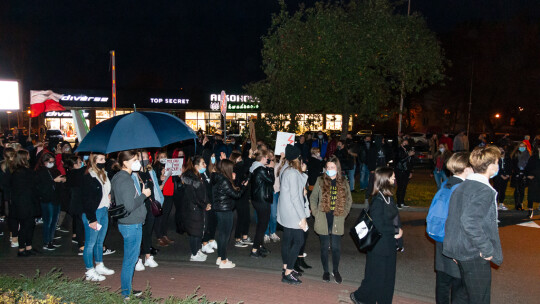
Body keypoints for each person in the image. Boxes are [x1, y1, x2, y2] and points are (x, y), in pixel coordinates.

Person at [443, 145, 503, 304]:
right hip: (474, 252)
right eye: (497, 162)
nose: (498, 166)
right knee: (479, 298)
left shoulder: (463, 186)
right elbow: (469, 221)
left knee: (464, 293)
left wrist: (456, 250)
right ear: (491, 166)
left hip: (461, 248)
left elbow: (454, 218)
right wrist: (487, 248)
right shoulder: (483, 190)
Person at [350, 167, 403, 304]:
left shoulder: (389, 198)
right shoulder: (378, 201)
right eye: (392, 177)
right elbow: (379, 225)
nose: (394, 179)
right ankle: (361, 297)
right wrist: (395, 232)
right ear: (385, 180)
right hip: (379, 247)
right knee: (376, 278)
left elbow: (395, 219)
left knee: (388, 279)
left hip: (389, 245)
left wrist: (399, 234)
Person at [430, 152, 472, 304]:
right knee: (459, 286)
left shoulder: (446, 184)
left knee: (442, 282)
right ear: (466, 169)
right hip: (455, 243)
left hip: (441, 238)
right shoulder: (463, 189)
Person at [111, 150, 151, 299]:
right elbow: (129, 206)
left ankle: (127, 289)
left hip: (129, 223)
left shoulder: (120, 177)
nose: (138, 162)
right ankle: (125, 294)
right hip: (131, 224)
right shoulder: (124, 179)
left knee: (131, 259)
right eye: (134, 160)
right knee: (130, 260)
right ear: (125, 162)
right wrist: (143, 195)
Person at [309, 156, 352, 284]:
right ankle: (326, 271)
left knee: (336, 248)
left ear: (337, 168)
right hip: (323, 218)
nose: (329, 170)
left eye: (332, 167)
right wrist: (316, 213)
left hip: (337, 218)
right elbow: (313, 198)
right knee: (324, 247)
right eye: (328, 167)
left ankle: (336, 270)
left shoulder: (343, 182)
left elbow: (349, 200)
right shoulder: (320, 180)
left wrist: (344, 214)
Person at [277, 145, 310, 285]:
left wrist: (302, 172)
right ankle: (288, 273)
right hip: (293, 213)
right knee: (298, 241)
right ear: (298, 158)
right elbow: (296, 197)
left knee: (287, 241)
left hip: (286, 212)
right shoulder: (293, 173)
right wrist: (302, 217)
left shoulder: (286, 169)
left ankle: (286, 267)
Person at [81, 153, 114, 281]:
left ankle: (99, 264)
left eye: (104, 159)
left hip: (104, 210)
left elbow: (104, 191)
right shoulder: (89, 176)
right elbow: (86, 200)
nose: (104, 161)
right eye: (101, 159)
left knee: (100, 241)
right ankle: (89, 270)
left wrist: (108, 196)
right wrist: (92, 219)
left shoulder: (103, 173)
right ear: (94, 161)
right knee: (90, 243)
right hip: (93, 213)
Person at [212, 159, 247, 269]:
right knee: (225, 235)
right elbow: (236, 195)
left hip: (220, 209)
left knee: (222, 234)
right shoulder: (224, 180)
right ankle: (223, 260)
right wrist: (243, 187)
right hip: (225, 209)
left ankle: (220, 257)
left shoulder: (218, 178)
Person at [132, 150, 164, 271]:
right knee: (139, 233)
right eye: (141, 157)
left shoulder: (151, 171)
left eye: (146, 157)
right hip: (140, 207)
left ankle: (148, 256)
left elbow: (155, 187)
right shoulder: (133, 174)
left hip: (150, 206)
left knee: (148, 232)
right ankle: (137, 259)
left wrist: (160, 200)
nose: (144, 159)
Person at [9, 150, 39, 257]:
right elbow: (32, 186)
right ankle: (22, 248)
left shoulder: (16, 172)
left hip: (22, 202)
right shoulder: (24, 172)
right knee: (26, 226)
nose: (29, 156)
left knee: (28, 225)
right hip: (25, 202)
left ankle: (27, 247)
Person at [182, 156, 211, 261]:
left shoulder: (199, 176)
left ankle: (197, 249)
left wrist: (207, 203)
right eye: (203, 163)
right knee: (194, 231)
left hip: (199, 207)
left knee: (199, 230)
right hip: (194, 208)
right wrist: (204, 205)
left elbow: (204, 193)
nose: (205, 165)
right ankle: (194, 254)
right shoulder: (191, 179)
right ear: (196, 165)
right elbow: (193, 197)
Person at [35, 152, 66, 250]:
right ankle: (46, 241)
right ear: (44, 162)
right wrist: (53, 181)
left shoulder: (55, 171)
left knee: (54, 221)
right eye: (50, 161)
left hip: (56, 198)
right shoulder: (40, 172)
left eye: (53, 161)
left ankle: (50, 240)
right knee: (48, 221)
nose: (52, 163)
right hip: (47, 199)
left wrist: (62, 180)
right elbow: (40, 187)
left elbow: (59, 185)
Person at [249, 149, 275, 258]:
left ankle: (259, 246)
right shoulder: (260, 169)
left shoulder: (255, 167)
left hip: (258, 199)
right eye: (267, 157)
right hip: (262, 200)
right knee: (262, 225)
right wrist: (272, 169)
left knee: (261, 224)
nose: (268, 159)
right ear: (263, 158)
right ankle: (255, 249)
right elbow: (271, 181)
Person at [231, 152, 253, 248]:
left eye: (241, 159)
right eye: (239, 160)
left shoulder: (241, 169)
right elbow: (245, 167)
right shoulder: (235, 169)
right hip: (239, 196)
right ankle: (237, 238)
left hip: (244, 195)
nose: (241, 161)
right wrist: (249, 157)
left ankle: (245, 236)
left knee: (247, 218)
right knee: (241, 218)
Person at [265, 151, 282, 243]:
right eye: (268, 156)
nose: (270, 158)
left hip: (274, 192)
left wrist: (282, 157)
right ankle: (266, 233)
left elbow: (280, 166)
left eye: (272, 156)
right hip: (265, 193)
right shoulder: (262, 167)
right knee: (266, 214)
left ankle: (273, 232)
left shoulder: (277, 166)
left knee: (274, 215)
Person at [394, 139, 415, 208]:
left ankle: (402, 202)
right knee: (400, 187)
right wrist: (408, 155)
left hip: (406, 171)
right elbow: (400, 160)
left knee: (404, 187)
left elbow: (411, 162)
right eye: (404, 143)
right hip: (399, 171)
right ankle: (398, 203)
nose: (406, 144)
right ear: (401, 144)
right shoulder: (398, 150)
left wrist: (411, 171)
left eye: (407, 143)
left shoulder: (408, 150)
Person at [510, 142, 530, 210]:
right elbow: (513, 164)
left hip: (524, 174)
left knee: (522, 190)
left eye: (523, 146)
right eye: (520, 146)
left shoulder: (528, 154)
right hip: (516, 173)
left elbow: (529, 165)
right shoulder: (515, 154)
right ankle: (516, 204)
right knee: (517, 189)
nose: (522, 148)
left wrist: (525, 173)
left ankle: (521, 203)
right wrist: (517, 171)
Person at [525, 145, 540, 218]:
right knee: (531, 195)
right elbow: (528, 168)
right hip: (534, 179)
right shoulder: (533, 158)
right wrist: (528, 175)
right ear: (538, 149)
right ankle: (530, 210)